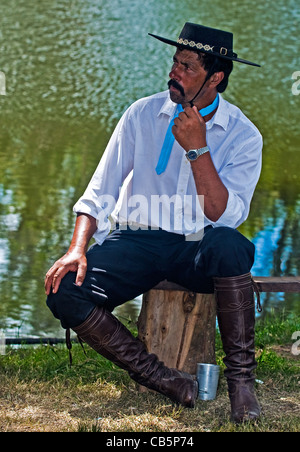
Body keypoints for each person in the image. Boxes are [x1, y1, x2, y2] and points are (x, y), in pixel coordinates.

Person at [45, 23, 263, 423]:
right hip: (136, 241)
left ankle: (242, 385)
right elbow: (99, 191)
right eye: (174, 62)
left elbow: (224, 215)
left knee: (232, 246)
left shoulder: (243, 135)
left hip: (197, 244)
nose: (174, 73)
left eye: (188, 66)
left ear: (216, 77)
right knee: (64, 289)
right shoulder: (142, 113)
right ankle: (163, 379)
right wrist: (76, 249)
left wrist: (198, 148)